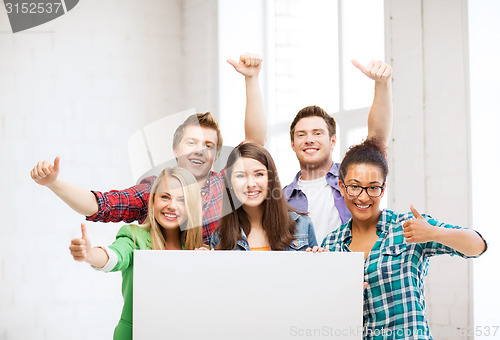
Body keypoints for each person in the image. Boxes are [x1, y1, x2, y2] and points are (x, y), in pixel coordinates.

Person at [30, 53, 266, 243]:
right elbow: (102, 205)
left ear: (215, 155)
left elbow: (255, 143)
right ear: (176, 149)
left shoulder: (224, 186)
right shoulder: (154, 189)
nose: (199, 150)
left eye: (208, 145)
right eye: (191, 142)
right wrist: (54, 183)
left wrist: (251, 79)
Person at [320, 139, 487, 339]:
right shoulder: (330, 243)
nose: (363, 197)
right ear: (341, 186)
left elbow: (478, 246)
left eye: (373, 188)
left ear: (383, 187)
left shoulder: (409, 227)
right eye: (355, 187)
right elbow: (326, 312)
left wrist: (434, 232)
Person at [69, 167, 204, 340]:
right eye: (165, 196)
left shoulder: (199, 249)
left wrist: (205, 267)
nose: (172, 206)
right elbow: (116, 256)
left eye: (182, 200)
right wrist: (89, 254)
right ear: (153, 200)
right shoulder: (134, 236)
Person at [284, 60, 393, 243]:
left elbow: (378, 140)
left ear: (333, 140)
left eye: (317, 133)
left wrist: (382, 84)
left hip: (354, 268)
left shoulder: (353, 178)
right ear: (293, 144)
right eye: (301, 134)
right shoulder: (282, 199)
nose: (309, 139)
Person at [210, 143, 317, 251]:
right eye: (241, 175)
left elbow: (315, 268)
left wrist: (321, 258)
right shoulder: (219, 237)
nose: (250, 184)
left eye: (259, 174)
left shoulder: (303, 225)